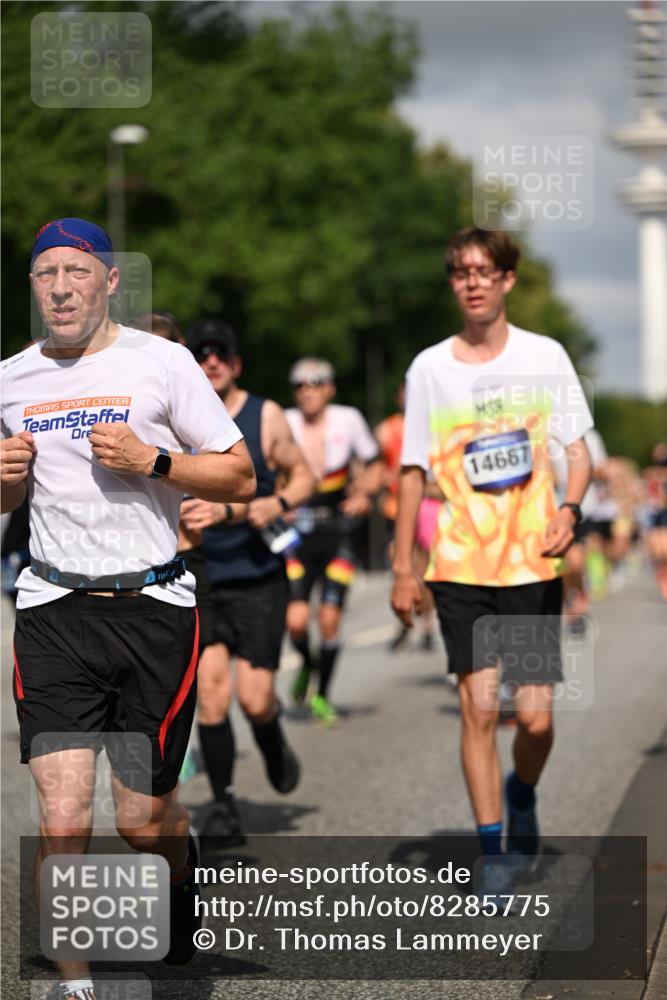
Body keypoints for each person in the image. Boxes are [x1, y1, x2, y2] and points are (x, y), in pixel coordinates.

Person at [0, 219, 256, 1000]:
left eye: (77, 271)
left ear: (111, 281)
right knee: (65, 811)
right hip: (53, 607)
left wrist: (157, 462)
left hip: (152, 608)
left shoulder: (163, 363)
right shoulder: (11, 378)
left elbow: (238, 474)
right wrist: (5, 479)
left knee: (142, 820)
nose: (61, 287)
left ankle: (179, 874)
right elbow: (8, 499)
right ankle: (77, 988)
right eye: (46, 274)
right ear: (35, 287)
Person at [391, 227, 592, 897]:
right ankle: (491, 851)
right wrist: (401, 568)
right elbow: (412, 471)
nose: (471, 281)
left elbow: (577, 450)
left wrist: (568, 510)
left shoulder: (544, 357)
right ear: (453, 284)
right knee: (478, 709)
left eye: (484, 270)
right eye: (459, 272)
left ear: (507, 279)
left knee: (533, 717)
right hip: (459, 565)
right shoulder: (429, 369)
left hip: (532, 562)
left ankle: (522, 788)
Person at [178, 319, 316, 843]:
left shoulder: (265, 415)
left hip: (258, 574)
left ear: (236, 365)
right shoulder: (175, 418)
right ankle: (224, 805)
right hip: (200, 575)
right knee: (212, 696)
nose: (210, 361)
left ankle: (272, 739)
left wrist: (273, 502)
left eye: (221, 354)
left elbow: (304, 475)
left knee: (256, 699)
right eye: (201, 354)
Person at [285, 358, 383, 724]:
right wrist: (280, 501)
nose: (308, 391)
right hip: (297, 534)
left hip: (338, 531)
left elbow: (376, 464)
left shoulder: (349, 419)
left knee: (328, 620)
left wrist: (365, 495)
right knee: (295, 622)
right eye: (300, 385)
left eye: (316, 383)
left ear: (330, 388)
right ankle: (308, 665)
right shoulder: (285, 420)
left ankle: (323, 695)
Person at [375, 386, 438, 653]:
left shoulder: (434, 428)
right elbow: (374, 466)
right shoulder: (387, 430)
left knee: (423, 570)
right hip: (395, 508)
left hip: (426, 507)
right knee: (399, 562)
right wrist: (379, 482)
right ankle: (405, 615)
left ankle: (426, 626)